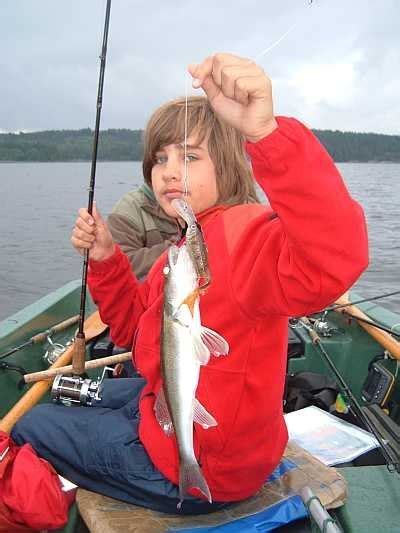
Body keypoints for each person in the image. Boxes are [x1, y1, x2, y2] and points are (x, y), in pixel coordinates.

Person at [12, 53, 368, 514]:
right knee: (82, 396)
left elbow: (334, 256)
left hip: (207, 469)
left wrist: (266, 135)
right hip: (174, 413)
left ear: (231, 165)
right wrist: (105, 259)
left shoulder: (248, 235)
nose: (169, 170)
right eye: (160, 158)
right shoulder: (180, 250)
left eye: (190, 156)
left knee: (36, 423)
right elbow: (131, 330)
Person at [107, 182, 180, 280]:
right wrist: (179, 247)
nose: (170, 174)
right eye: (160, 166)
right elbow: (118, 269)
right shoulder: (125, 212)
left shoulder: (201, 200)